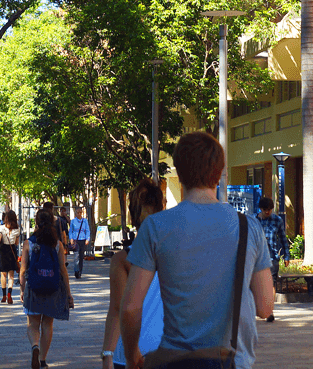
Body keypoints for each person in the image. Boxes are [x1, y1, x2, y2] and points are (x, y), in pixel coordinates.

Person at [120, 131, 275, 369]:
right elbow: (265, 307)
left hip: (175, 361)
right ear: (221, 173)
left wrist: (132, 356)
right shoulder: (248, 227)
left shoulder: (155, 227)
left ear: (179, 172)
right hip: (232, 361)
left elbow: (130, 307)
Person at [102, 178, 166, 369]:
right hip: (166, 352)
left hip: (128, 353)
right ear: (161, 210)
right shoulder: (177, 252)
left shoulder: (123, 260)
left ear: (131, 215)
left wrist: (107, 355)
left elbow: (117, 310)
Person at [20, 209, 73, 369]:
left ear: (36, 222)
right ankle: (42, 360)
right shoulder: (58, 244)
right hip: (53, 288)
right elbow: (63, 270)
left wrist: (22, 290)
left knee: (32, 323)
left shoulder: (29, 243)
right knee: (47, 324)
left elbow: (23, 270)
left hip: (34, 288)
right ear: (53, 222)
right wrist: (69, 294)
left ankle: (35, 346)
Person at [255, 197, 287, 323]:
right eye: (265, 210)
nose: (267, 212)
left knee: (271, 284)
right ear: (260, 209)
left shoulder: (277, 220)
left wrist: (287, 255)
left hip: (272, 256)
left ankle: (270, 311)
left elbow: (283, 238)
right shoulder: (254, 220)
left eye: (269, 209)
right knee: (257, 284)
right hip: (257, 257)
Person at [0, 210, 21, 304]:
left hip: (3, 251)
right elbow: (17, 243)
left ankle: (3, 295)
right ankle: (10, 293)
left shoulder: (1, 228)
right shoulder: (17, 229)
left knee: (3, 274)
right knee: (11, 274)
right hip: (12, 251)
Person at [68, 207, 91, 279]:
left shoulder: (85, 221)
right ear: (75, 213)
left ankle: (80, 272)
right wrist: (71, 238)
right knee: (76, 256)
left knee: (81, 257)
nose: (79, 214)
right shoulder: (73, 221)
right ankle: (76, 270)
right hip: (75, 240)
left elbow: (87, 230)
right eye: (78, 212)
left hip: (83, 240)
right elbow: (70, 231)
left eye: (80, 212)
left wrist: (87, 238)